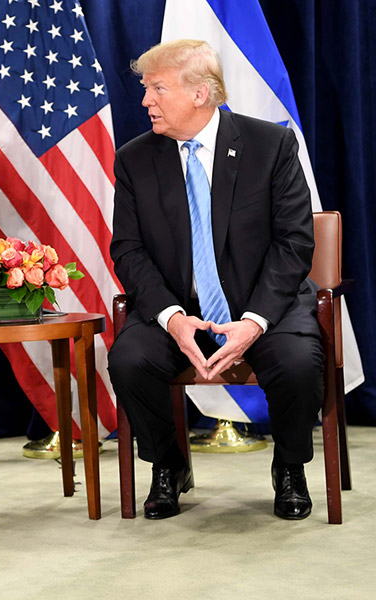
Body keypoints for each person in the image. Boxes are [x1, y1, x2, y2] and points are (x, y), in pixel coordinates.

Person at [108, 40, 323, 521]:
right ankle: (168, 464)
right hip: (179, 309)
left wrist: (254, 321)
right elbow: (128, 248)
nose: (146, 101)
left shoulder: (270, 145)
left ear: (201, 93)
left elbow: (295, 242)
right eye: (146, 89)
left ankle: (289, 467)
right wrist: (172, 317)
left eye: (158, 89)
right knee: (128, 359)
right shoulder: (135, 159)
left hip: (263, 306)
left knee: (296, 362)